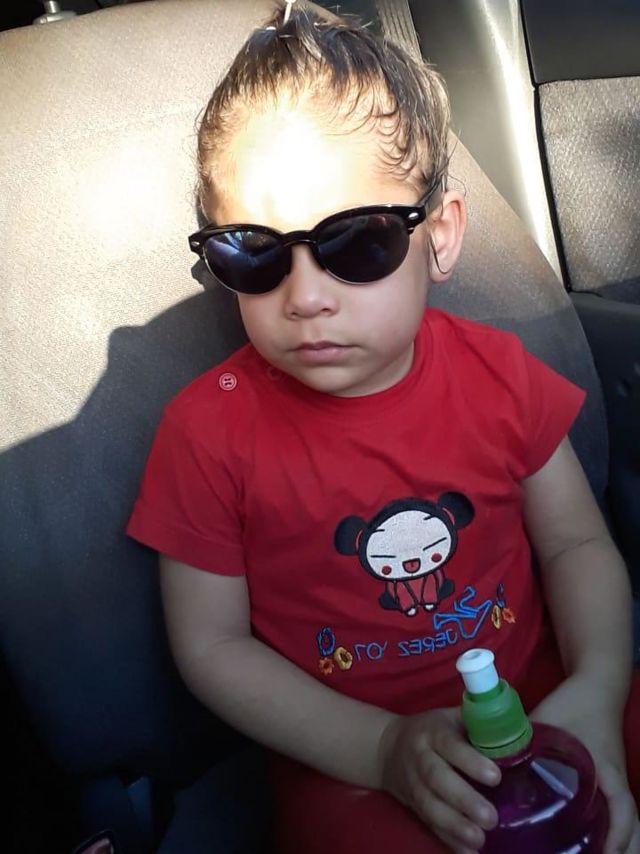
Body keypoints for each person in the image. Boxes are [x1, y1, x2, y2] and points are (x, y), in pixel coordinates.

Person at [127, 2, 640, 851]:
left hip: (548, 699)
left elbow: (576, 545)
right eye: (254, 251)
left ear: (440, 236)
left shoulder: (500, 376)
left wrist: (595, 686)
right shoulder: (205, 433)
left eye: (357, 243)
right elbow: (213, 646)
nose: (305, 295)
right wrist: (380, 748)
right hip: (348, 757)